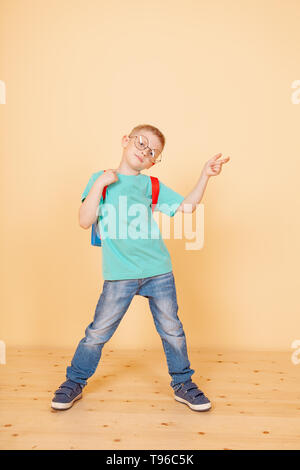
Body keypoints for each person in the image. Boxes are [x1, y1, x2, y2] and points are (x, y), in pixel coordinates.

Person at [51, 124, 230, 412]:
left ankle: (183, 383)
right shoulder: (101, 180)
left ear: (153, 161)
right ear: (125, 141)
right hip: (119, 276)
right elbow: (85, 220)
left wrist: (204, 175)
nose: (145, 151)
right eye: (141, 143)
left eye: (153, 152)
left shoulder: (152, 186)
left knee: (172, 330)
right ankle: (75, 381)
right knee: (97, 333)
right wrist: (100, 184)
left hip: (158, 271)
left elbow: (186, 207)